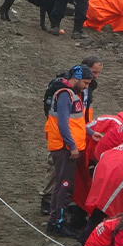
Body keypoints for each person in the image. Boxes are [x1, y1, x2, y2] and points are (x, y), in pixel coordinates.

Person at [44, 65, 103, 237]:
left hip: (66, 148)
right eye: (85, 82)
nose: (86, 87)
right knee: (65, 186)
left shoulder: (72, 94)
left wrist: (91, 134)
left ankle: (54, 221)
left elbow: (75, 122)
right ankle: (59, 224)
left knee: (62, 185)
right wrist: (73, 147)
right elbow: (63, 124)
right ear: (76, 78)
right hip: (65, 149)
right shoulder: (65, 95)